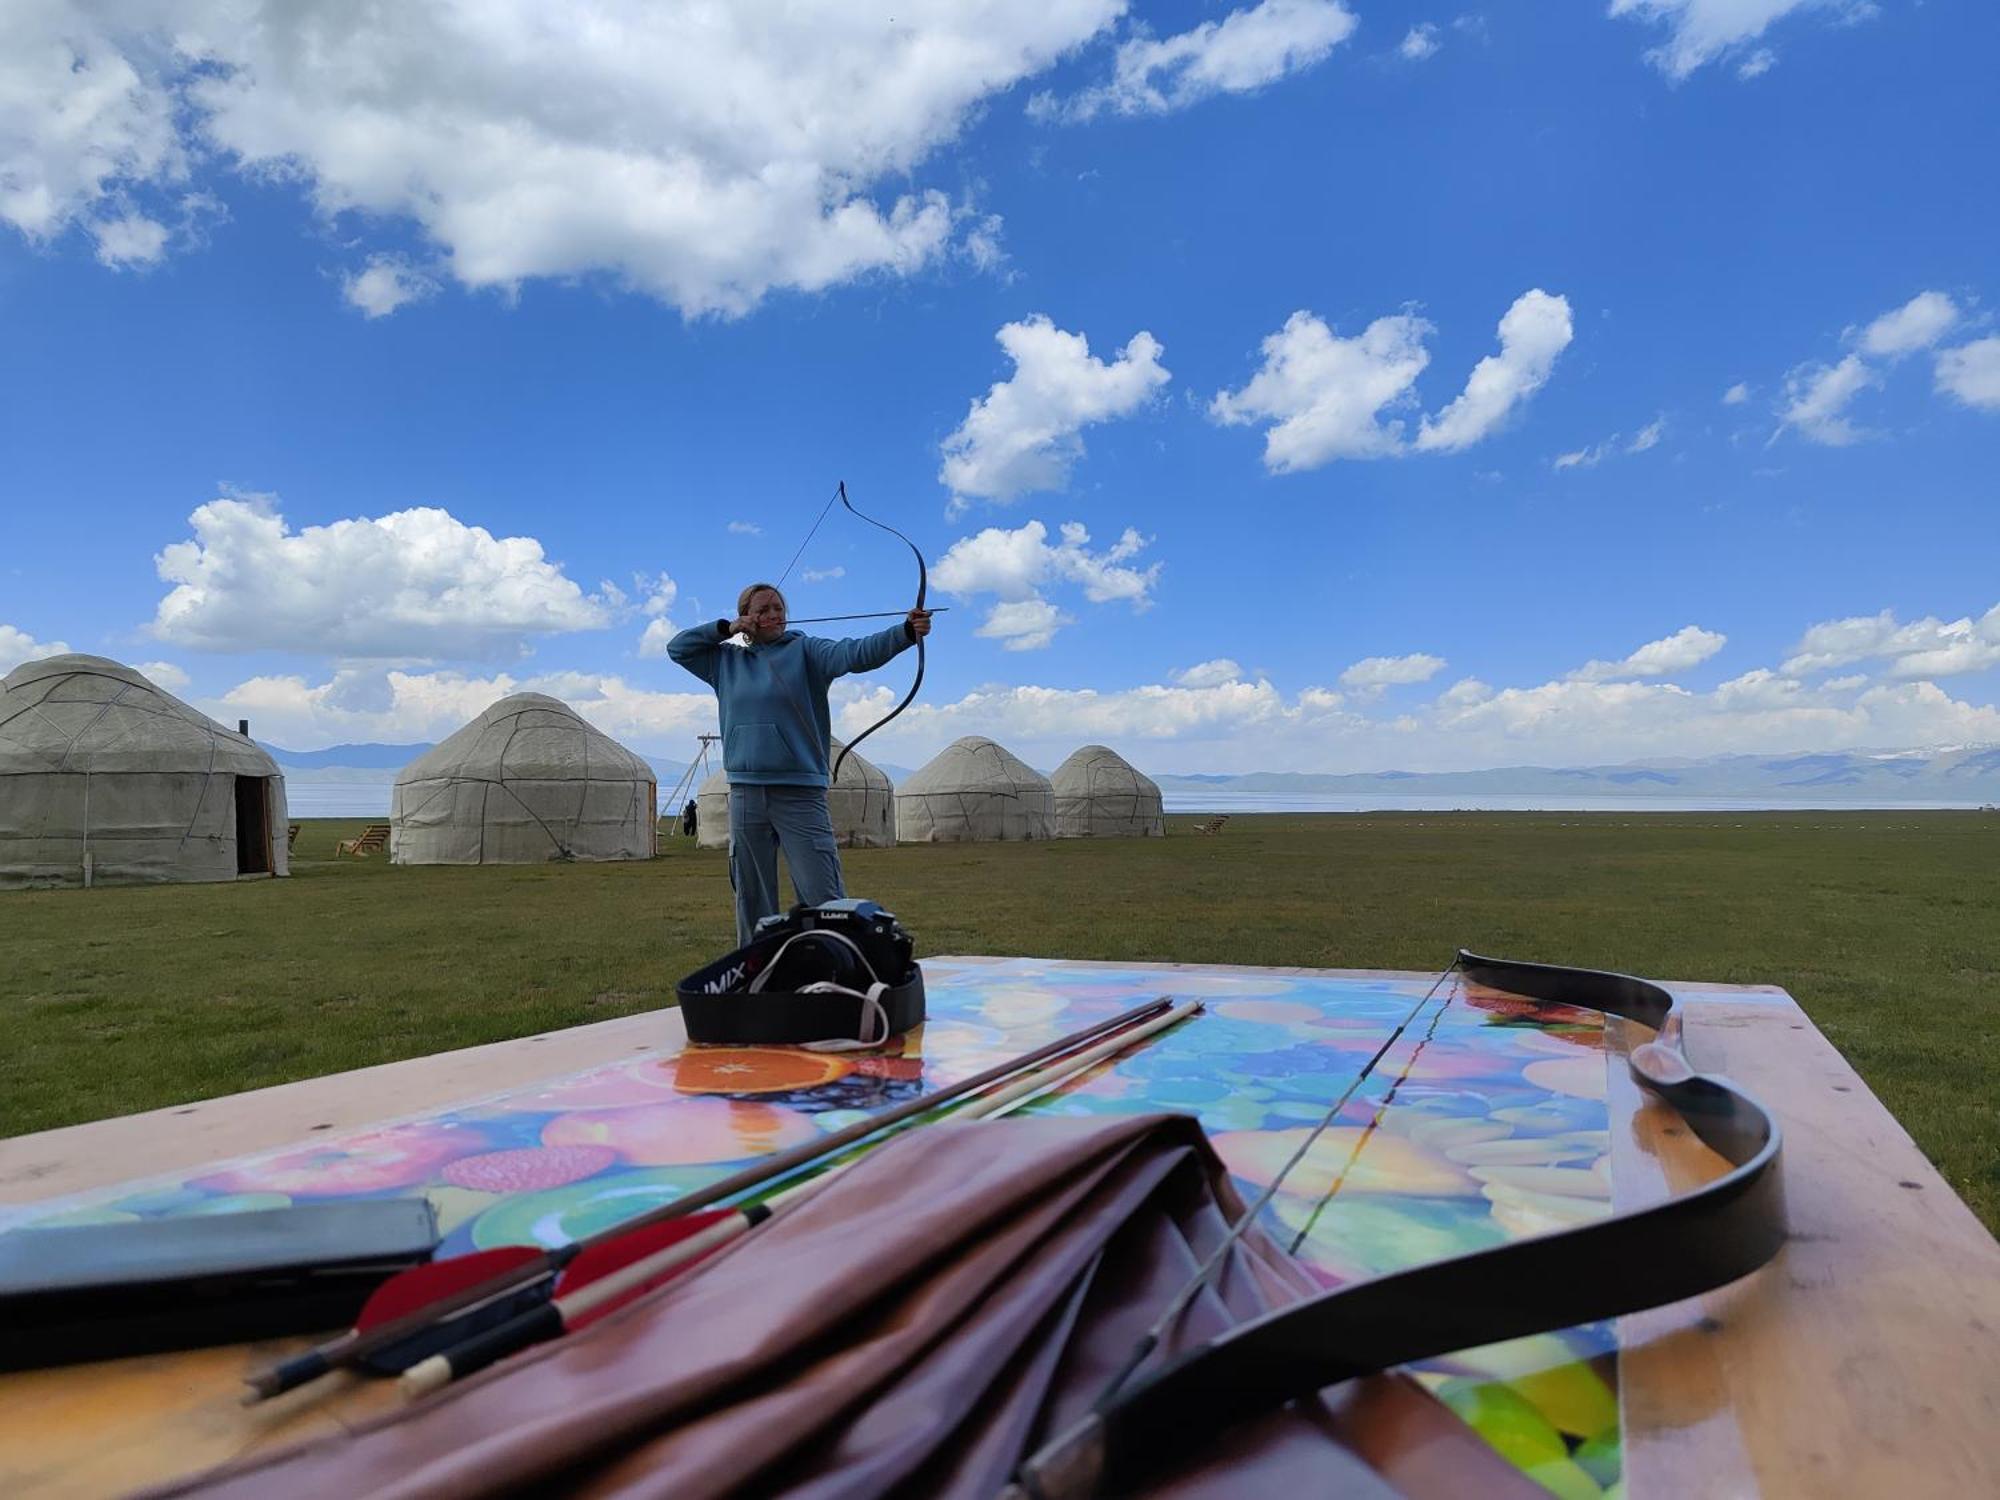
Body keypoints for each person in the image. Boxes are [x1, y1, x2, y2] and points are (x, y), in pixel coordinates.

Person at [668, 582, 932, 943]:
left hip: (799, 793)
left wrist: (904, 633)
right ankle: (759, 972)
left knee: (823, 894)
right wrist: (724, 629)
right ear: (746, 616)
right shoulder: (724, 662)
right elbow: (677, 649)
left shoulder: (806, 651)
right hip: (746, 792)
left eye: (779, 607)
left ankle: (833, 964)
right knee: (752, 896)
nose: (774, 614)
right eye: (763, 610)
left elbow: (854, 654)